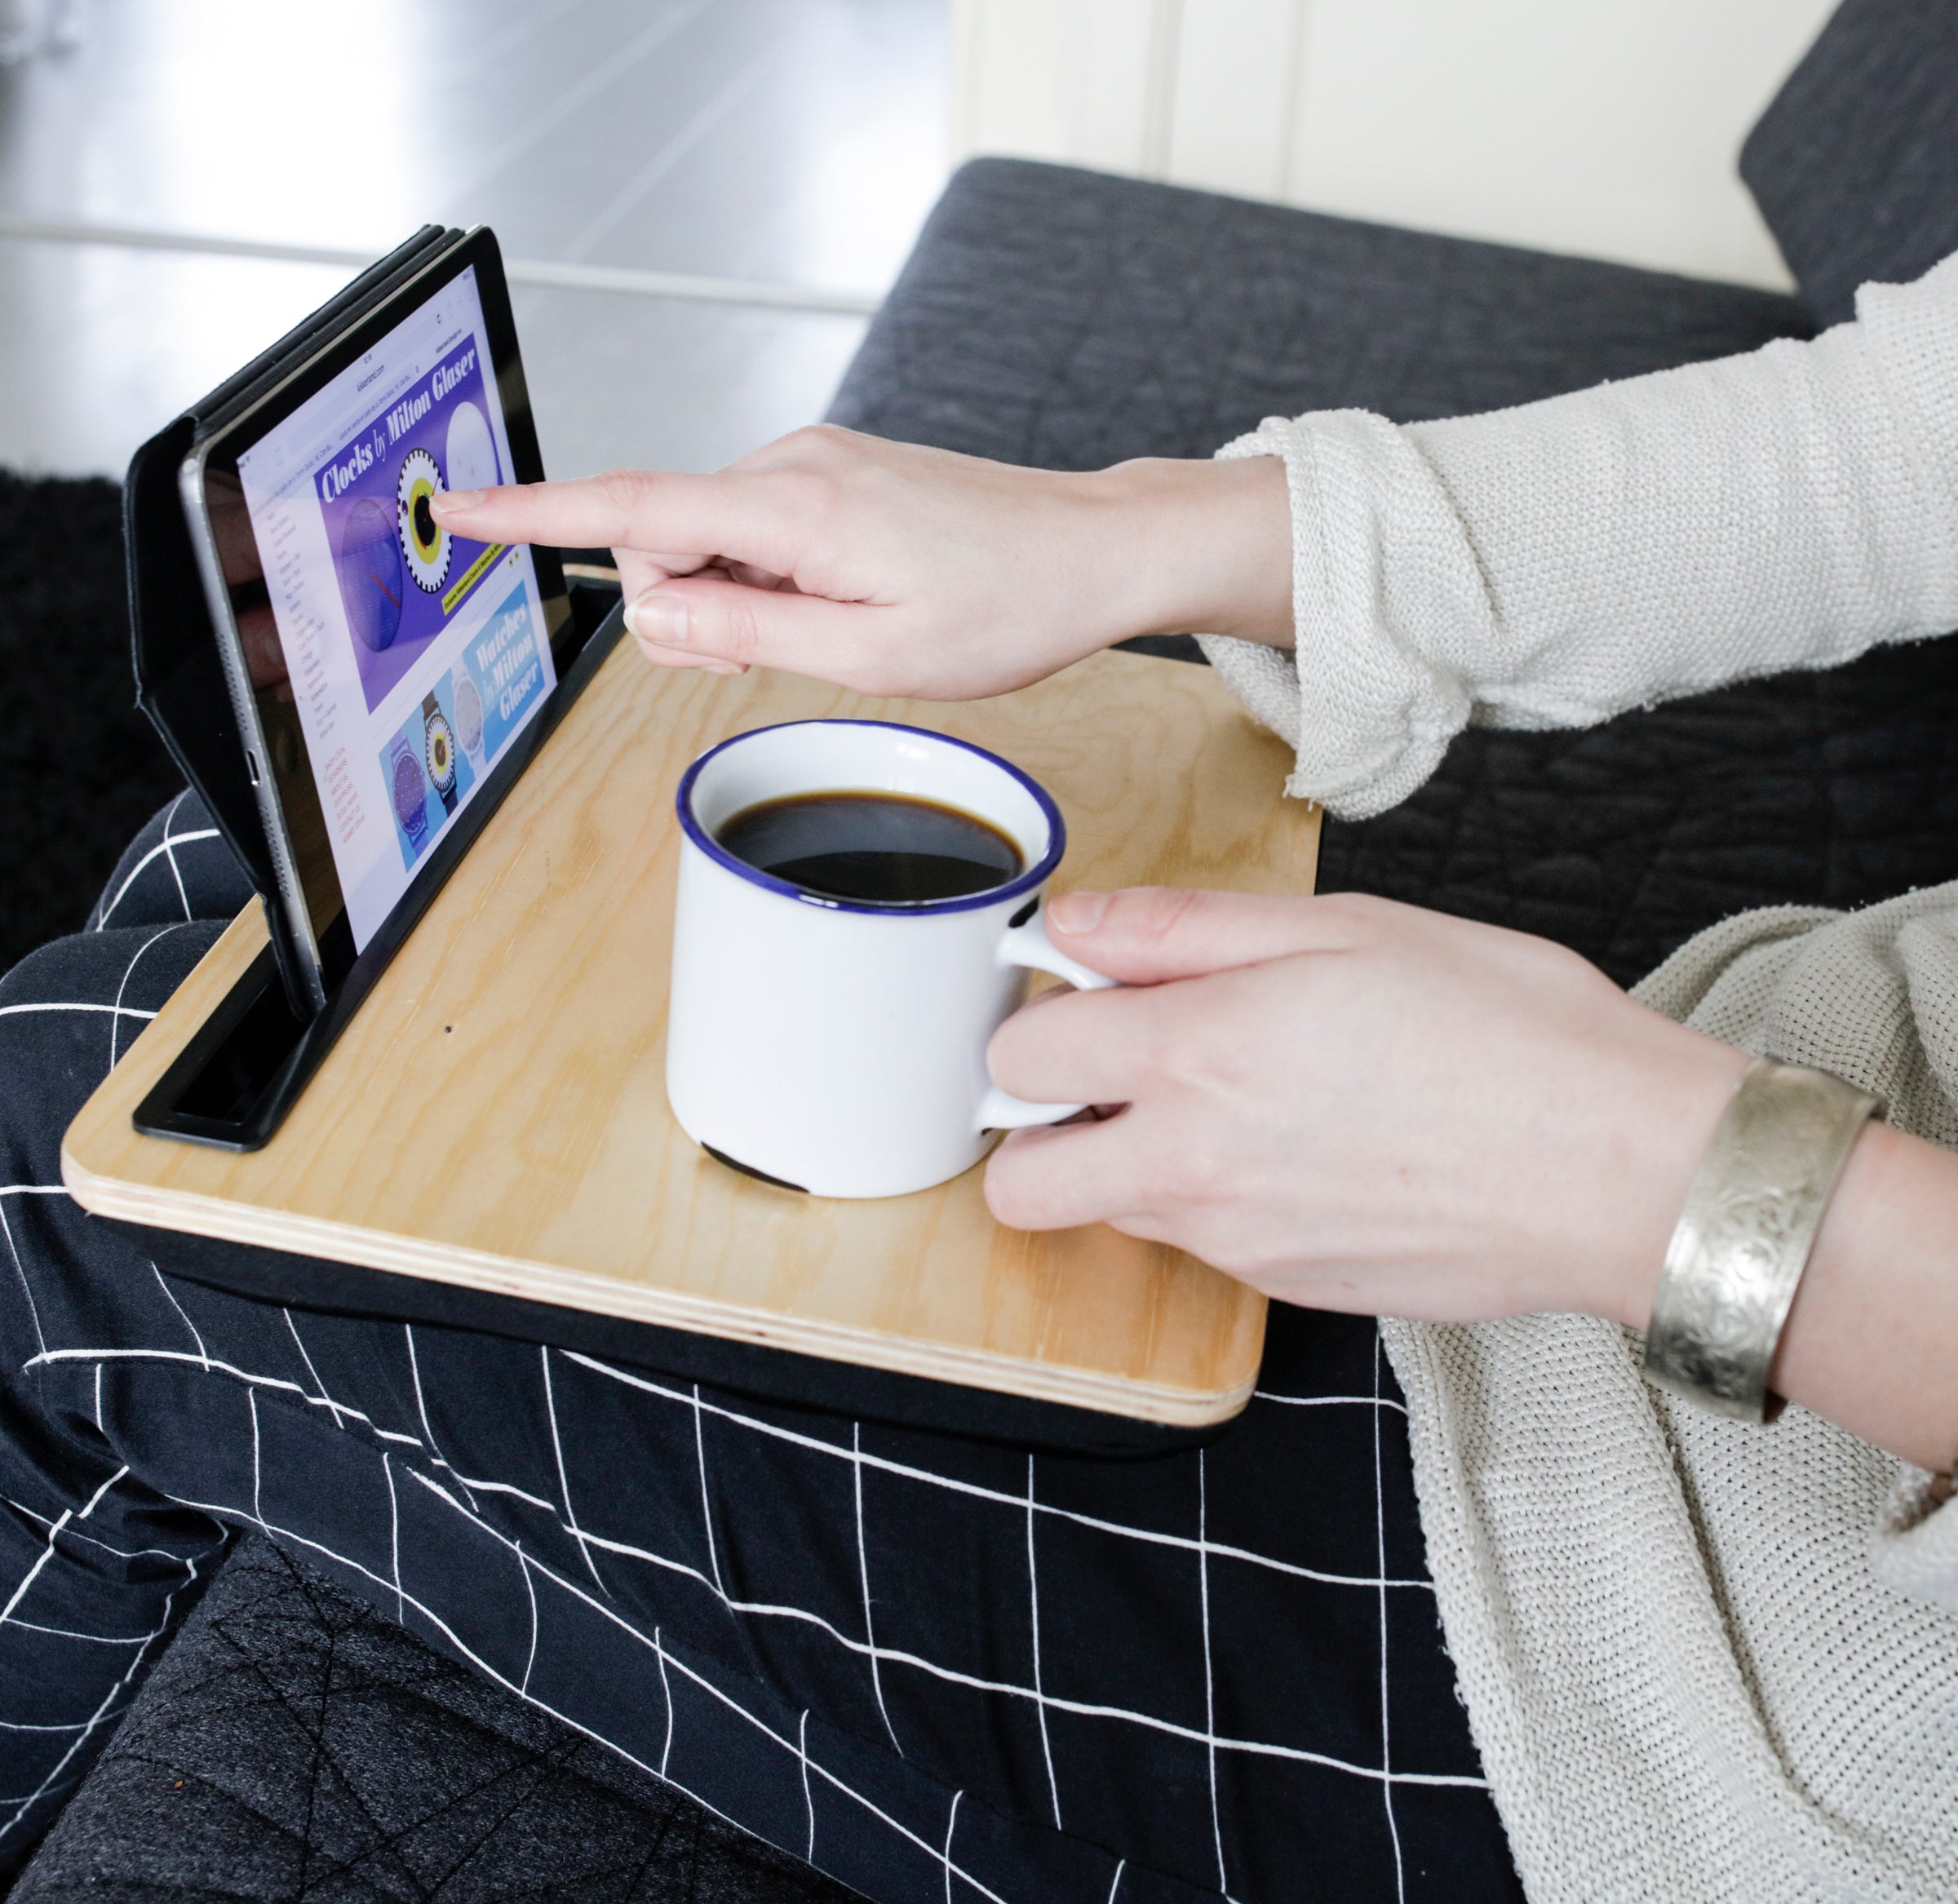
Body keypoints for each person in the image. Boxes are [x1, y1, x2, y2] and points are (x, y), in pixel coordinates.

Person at [2, 250, 1954, 1901]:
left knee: (45, 1125)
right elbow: (1899, 447)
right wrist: (1126, 536)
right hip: (1760, 1093)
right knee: (238, 881)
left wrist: (1640, 1180)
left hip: (1690, 1669)